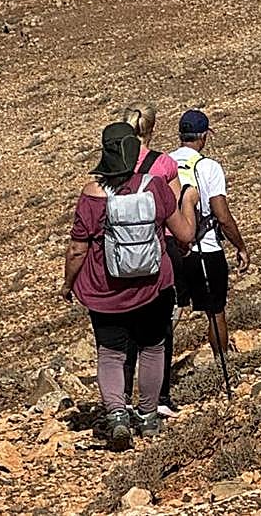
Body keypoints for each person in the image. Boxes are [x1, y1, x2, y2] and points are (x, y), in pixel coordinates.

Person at [59, 123, 194, 451]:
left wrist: (68, 284)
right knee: (152, 348)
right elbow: (185, 236)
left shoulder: (92, 195)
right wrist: (188, 200)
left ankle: (118, 415)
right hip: (152, 286)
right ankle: (148, 417)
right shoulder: (156, 187)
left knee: (110, 353)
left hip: (105, 292)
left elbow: (78, 248)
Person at [123, 102, 186, 418]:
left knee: (127, 326)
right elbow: (173, 208)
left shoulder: (116, 164)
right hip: (160, 248)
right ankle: (159, 397)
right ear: (152, 128)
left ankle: (121, 399)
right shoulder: (164, 164)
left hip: (122, 254)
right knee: (160, 328)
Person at [170, 109, 250, 353]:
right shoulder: (209, 167)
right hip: (205, 248)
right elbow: (222, 215)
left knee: (171, 310)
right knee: (215, 311)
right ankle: (220, 363)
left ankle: (154, 369)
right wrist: (241, 246)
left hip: (171, 249)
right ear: (204, 136)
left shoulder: (164, 163)